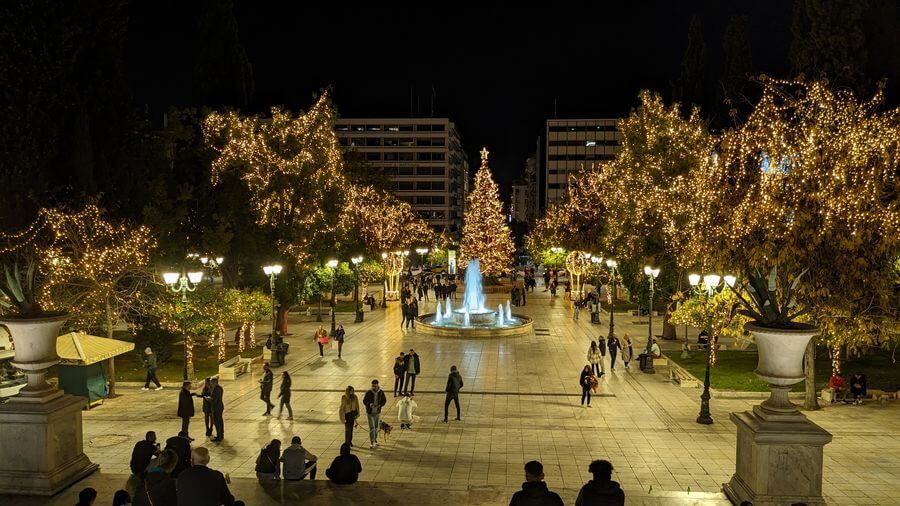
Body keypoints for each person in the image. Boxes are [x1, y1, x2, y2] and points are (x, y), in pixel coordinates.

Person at [363, 379, 387, 449]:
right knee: (372, 427)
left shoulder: (381, 392)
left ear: (377, 385)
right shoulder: (368, 392)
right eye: (373, 386)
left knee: (376, 427)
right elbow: (364, 401)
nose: (374, 387)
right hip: (370, 413)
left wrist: (380, 405)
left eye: (375, 386)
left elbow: (384, 400)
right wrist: (369, 404)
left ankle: (375, 440)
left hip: (377, 412)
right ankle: (372, 442)